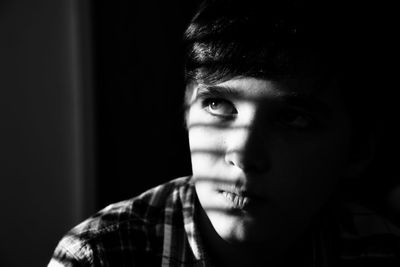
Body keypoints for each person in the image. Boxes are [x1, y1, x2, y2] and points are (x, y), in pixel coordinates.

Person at [49, 0, 400, 266]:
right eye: (217, 104)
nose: (243, 154)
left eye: (294, 118)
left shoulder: (380, 247)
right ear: (187, 111)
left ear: (359, 148)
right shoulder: (101, 256)